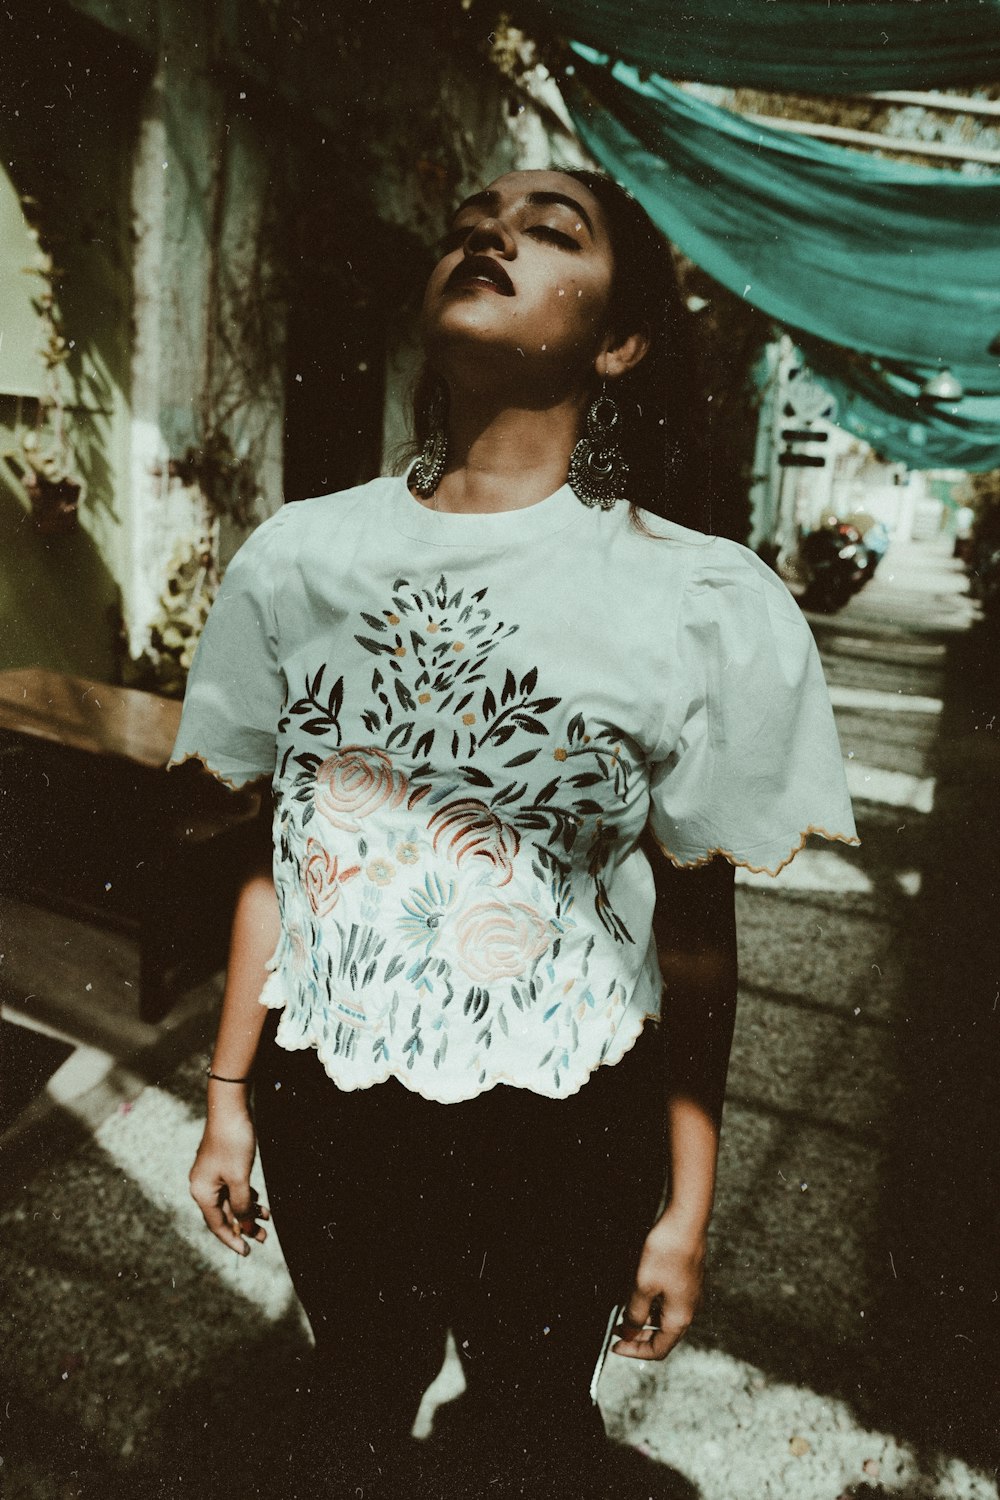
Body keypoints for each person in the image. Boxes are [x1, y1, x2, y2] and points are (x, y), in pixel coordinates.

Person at [170, 168, 858, 1498]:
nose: (490, 233)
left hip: (568, 1125)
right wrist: (229, 1098)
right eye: (473, 220)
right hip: (336, 1107)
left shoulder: (695, 601)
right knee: (356, 1402)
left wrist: (688, 1210)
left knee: (531, 1437)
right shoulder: (299, 559)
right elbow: (288, 859)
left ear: (620, 341)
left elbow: (701, 942)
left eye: (553, 232)